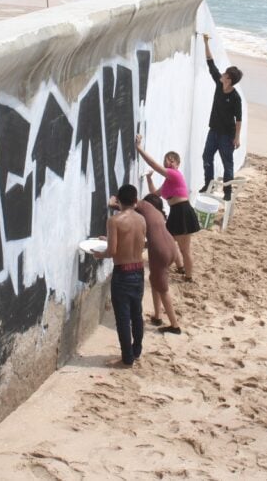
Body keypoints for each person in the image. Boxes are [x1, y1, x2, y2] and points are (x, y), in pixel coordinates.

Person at [92, 184, 146, 366]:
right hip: (138, 270)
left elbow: (112, 252)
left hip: (123, 273)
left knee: (123, 317)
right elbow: (134, 242)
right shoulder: (141, 220)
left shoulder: (114, 221)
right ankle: (136, 350)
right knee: (136, 313)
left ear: (118, 201)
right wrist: (110, 242)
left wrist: (100, 253)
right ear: (135, 201)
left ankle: (127, 357)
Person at [136, 135, 200, 282]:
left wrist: (139, 148)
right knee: (169, 242)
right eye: (167, 159)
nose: (169, 162)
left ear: (177, 164)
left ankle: (188, 277)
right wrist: (149, 179)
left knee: (185, 249)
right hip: (176, 213)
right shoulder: (168, 182)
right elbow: (155, 194)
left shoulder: (174, 174)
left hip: (183, 211)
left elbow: (153, 164)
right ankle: (180, 267)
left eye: (172, 160)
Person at [199, 33, 243, 201]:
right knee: (206, 157)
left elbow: (238, 119)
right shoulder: (219, 84)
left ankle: (227, 191)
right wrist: (205, 42)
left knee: (227, 163)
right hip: (214, 131)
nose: (222, 74)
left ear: (229, 80)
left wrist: (237, 138)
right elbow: (211, 64)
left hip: (227, 135)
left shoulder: (235, 98)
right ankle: (208, 183)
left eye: (225, 74)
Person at [136, 194, 182, 334]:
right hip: (172, 248)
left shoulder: (143, 210)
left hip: (160, 253)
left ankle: (175, 325)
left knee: (163, 289)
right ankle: (157, 316)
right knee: (155, 280)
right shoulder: (158, 216)